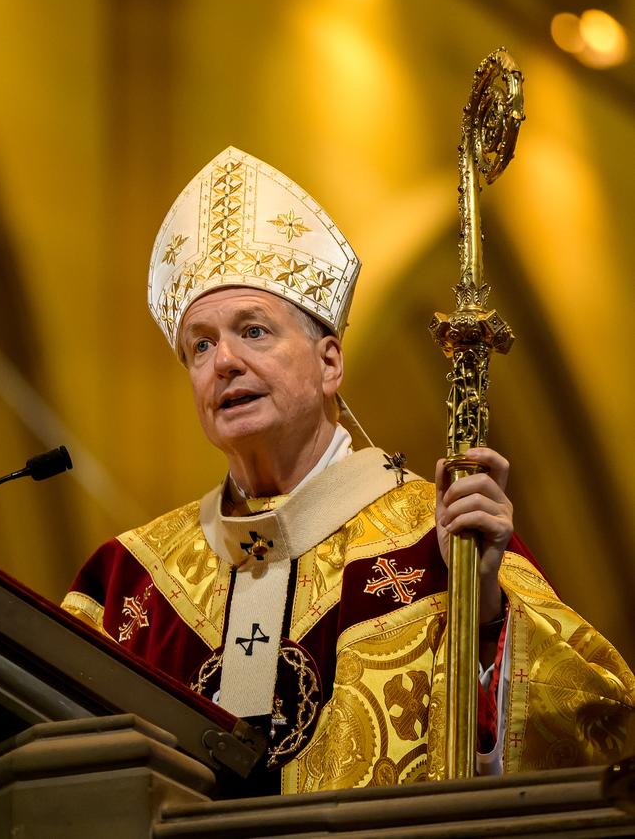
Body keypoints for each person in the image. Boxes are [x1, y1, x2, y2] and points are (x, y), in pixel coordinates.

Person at [63, 146, 634, 796]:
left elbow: (600, 731)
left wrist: (487, 616)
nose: (222, 360)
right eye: (200, 343)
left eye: (253, 331)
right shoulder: (129, 580)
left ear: (330, 362)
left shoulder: (438, 536)